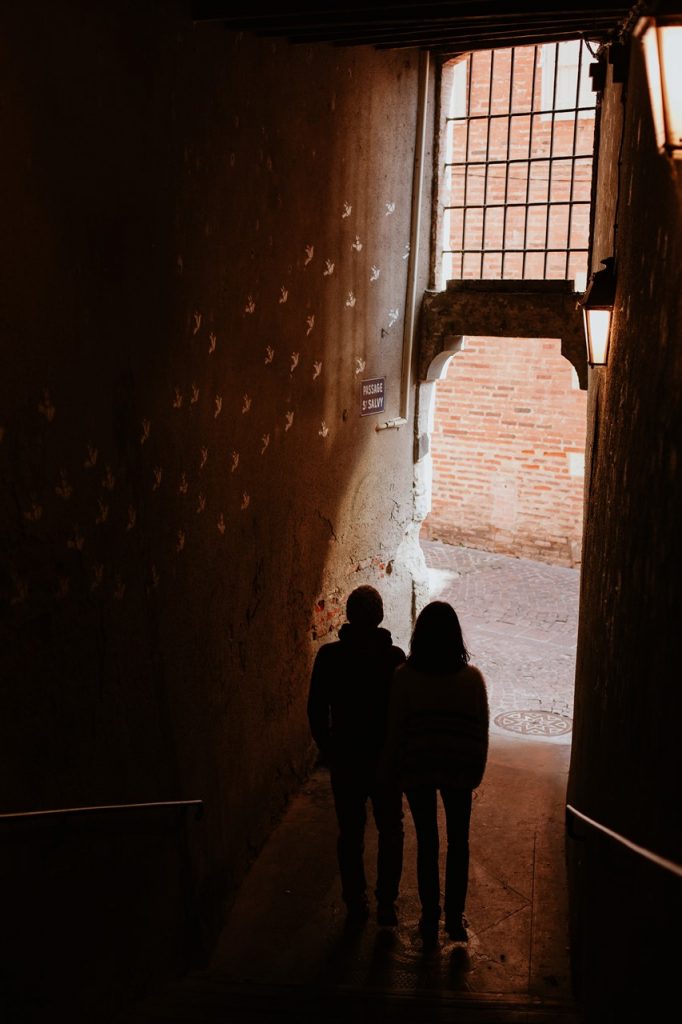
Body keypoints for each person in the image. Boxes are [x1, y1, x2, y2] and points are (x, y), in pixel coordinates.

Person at [382, 600, 489, 944]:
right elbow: (481, 731)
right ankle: (454, 919)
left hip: (418, 768)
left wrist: (393, 770)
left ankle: (430, 916)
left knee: (427, 841)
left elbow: (395, 729)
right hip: (459, 768)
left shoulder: (404, 678)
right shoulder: (472, 680)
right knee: (459, 842)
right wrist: (475, 772)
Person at [307, 585, 406, 926]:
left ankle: (355, 900)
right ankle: (386, 902)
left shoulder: (329, 657)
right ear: (380, 616)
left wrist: (330, 749)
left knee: (350, 832)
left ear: (349, 615)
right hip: (383, 759)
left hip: (347, 758)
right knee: (391, 830)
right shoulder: (394, 659)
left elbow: (316, 710)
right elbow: (402, 713)